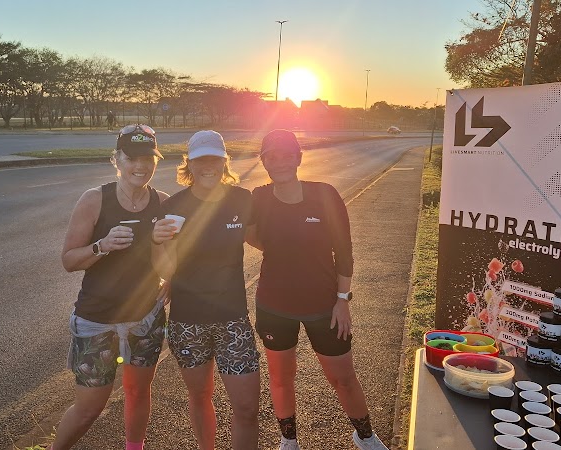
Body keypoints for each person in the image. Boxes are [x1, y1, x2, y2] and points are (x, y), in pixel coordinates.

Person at [246, 129, 389, 450]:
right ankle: (289, 440)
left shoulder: (324, 194)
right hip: (274, 305)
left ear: (298, 158)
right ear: (264, 162)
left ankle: (365, 436)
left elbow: (344, 251)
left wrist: (342, 300)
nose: (280, 162)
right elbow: (251, 235)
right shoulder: (259, 197)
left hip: (325, 305)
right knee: (281, 378)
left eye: (287, 155)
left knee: (344, 378)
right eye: (272, 157)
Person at [52, 124, 169, 450]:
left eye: (148, 158)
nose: (141, 166)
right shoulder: (95, 200)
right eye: (132, 158)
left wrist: (173, 279)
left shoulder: (163, 202)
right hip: (96, 319)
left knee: (138, 392)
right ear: (116, 159)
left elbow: (174, 257)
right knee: (89, 409)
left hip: (145, 318)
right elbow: (69, 260)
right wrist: (101, 246)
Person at [151, 130, 260, 450]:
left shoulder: (242, 199)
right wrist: (156, 241)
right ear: (190, 164)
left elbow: (260, 240)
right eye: (200, 160)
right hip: (188, 321)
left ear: (225, 161)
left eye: (215, 158)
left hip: (233, 319)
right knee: (199, 395)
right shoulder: (174, 206)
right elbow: (166, 269)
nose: (208, 166)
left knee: (247, 408)